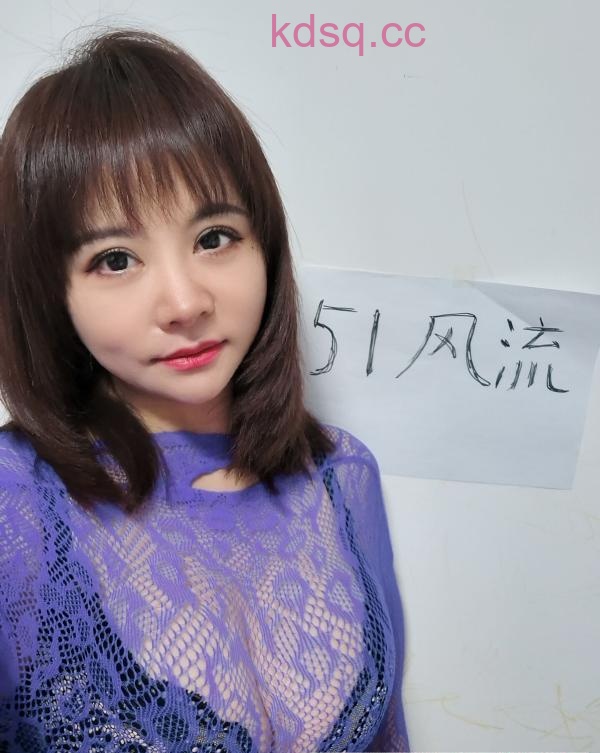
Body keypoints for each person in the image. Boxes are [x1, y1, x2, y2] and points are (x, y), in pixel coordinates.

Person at [0, 27, 410, 753]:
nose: (185, 301)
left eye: (214, 237)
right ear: (49, 291)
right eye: (116, 259)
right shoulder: (18, 504)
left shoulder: (341, 478)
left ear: (265, 243)